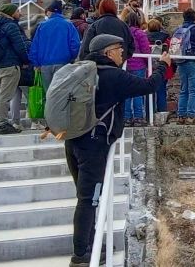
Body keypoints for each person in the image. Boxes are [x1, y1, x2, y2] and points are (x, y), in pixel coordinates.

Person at [65, 34, 170, 267]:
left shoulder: (80, 69)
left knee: (86, 199)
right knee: (88, 200)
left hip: (73, 141)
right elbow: (149, 85)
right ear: (107, 52)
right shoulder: (113, 76)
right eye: (118, 48)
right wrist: (163, 64)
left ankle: (91, 246)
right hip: (93, 145)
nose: (123, 53)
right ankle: (81, 255)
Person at [0, 4, 31, 135]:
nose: (20, 13)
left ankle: (2, 122)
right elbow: (20, 46)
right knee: (5, 96)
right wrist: (26, 60)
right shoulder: (11, 26)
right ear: (11, 13)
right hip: (10, 65)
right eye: (18, 11)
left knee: (1, 95)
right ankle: (3, 124)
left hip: (0, 65)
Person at [30, 0, 80, 89]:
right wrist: (71, 58)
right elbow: (75, 44)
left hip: (45, 65)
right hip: (63, 63)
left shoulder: (41, 26)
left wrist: (36, 63)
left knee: (49, 94)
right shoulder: (68, 25)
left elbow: (35, 47)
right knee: (61, 93)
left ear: (51, 11)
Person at [124, 11, 152, 127]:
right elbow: (146, 50)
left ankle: (126, 117)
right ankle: (138, 117)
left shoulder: (123, 33)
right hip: (139, 65)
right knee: (138, 93)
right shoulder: (140, 33)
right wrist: (149, 64)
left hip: (126, 65)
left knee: (126, 93)